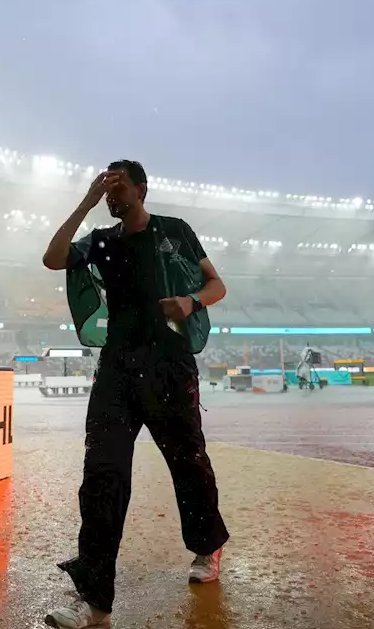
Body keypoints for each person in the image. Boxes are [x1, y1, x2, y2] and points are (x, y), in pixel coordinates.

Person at [40, 160, 230, 628]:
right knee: (101, 474)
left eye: (118, 183)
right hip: (117, 370)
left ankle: (207, 545)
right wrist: (85, 201)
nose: (110, 191)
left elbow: (216, 284)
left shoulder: (175, 231)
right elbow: (53, 257)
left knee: (188, 463)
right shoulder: (101, 240)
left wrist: (192, 301)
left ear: (141, 190)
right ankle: (95, 601)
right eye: (104, 186)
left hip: (168, 366)